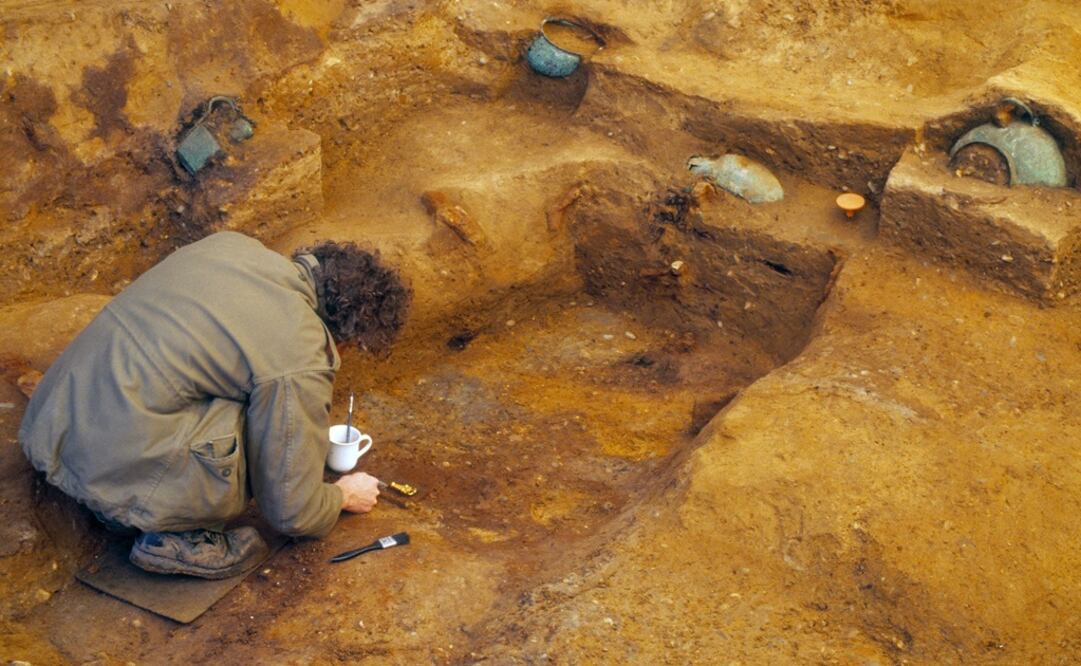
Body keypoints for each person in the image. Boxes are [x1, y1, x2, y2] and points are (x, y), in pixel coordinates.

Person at [18, 231, 410, 579]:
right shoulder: (302, 348)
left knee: (238, 391)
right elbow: (292, 511)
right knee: (258, 431)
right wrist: (342, 495)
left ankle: (116, 495)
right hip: (108, 457)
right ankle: (174, 535)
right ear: (349, 336)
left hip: (51, 421)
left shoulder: (231, 246)